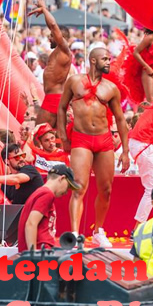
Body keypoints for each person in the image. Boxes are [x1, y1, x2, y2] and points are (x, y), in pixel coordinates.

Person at [58, 47, 130, 247]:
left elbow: (121, 120)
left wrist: (125, 151)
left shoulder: (111, 88)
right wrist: (63, 136)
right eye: (105, 58)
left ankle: (99, 230)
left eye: (110, 58)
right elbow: (62, 108)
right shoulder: (74, 81)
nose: (109, 62)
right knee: (78, 186)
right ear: (93, 60)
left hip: (104, 140)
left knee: (106, 189)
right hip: (81, 139)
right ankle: (73, 234)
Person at [28, 0, 72, 129]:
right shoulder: (59, 51)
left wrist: (44, 9)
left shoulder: (64, 49)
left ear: (60, 37)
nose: (48, 38)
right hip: (56, 98)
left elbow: (53, 26)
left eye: (51, 36)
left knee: (38, 135)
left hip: (54, 99)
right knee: (56, 139)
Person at [17, 164, 80, 252]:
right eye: (68, 187)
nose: (66, 192)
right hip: (41, 251)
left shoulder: (40, 192)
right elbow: (31, 223)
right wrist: (33, 254)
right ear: (61, 178)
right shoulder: (47, 194)